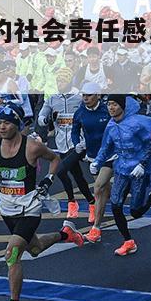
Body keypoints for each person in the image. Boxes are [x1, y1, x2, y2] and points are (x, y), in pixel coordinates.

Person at [0, 104, 83, 301]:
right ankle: (66, 234)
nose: (2, 126)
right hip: (7, 208)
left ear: (17, 124)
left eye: (7, 122)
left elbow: (55, 158)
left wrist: (48, 179)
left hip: (30, 207)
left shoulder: (32, 147)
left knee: (12, 253)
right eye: (0, 122)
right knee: (35, 249)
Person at [90, 94, 151, 256]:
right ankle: (128, 241)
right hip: (121, 169)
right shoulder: (111, 125)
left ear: (123, 106)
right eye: (109, 104)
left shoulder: (137, 123)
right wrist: (97, 162)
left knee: (136, 211)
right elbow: (106, 147)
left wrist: (142, 164)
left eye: (115, 104)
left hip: (139, 170)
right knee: (116, 205)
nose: (111, 108)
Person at [38, 69, 94, 219]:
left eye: (62, 81)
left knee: (61, 171)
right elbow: (41, 119)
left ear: (69, 81)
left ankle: (71, 201)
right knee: (77, 175)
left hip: (78, 142)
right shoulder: (52, 99)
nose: (59, 84)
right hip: (61, 142)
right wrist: (49, 117)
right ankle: (92, 202)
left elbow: (90, 112)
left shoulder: (79, 97)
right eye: (58, 81)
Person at [73, 83, 113, 243]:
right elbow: (75, 129)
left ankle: (96, 228)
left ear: (97, 95)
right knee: (104, 191)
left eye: (89, 95)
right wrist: (77, 143)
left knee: (98, 189)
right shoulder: (80, 112)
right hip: (92, 156)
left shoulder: (107, 110)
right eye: (84, 95)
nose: (85, 98)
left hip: (110, 155)